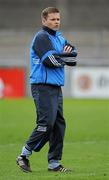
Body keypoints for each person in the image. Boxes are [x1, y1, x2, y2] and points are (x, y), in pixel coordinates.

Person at [16, 7, 77, 173]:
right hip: (42, 86)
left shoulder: (59, 37)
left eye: (58, 19)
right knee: (46, 124)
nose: (56, 21)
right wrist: (63, 57)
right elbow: (49, 61)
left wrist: (61, 57)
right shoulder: (41, 37)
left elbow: (74, 56)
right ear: (44, 21)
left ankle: (54, 163)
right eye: (52, 19)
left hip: (56, 86)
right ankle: (23, 155)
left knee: (58, 125)